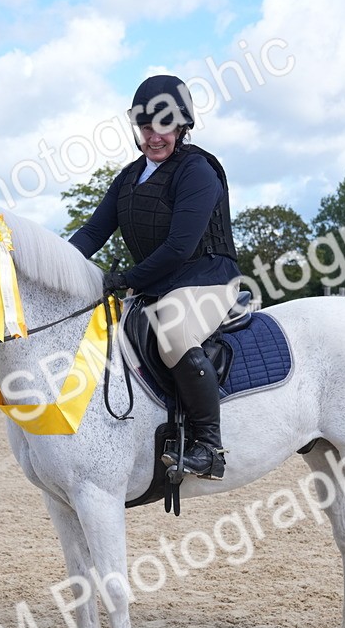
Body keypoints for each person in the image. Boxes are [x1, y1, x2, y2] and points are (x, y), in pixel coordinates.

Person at [68, 74, 241, 480]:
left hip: (207, 278)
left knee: (174, 334)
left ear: (181, 126)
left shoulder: (198, 171)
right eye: (146, 127)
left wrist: (125, 278)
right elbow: (93, 233)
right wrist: (55, 266)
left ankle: (209, 446)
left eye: (163, 126)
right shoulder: (129, 178)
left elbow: (180, 247)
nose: (154, 136)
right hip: (158, 282)